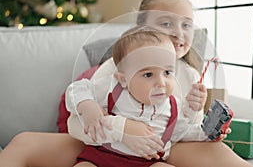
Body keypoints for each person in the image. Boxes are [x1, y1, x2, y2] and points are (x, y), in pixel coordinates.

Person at [0, 0, 253, 167]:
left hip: (155, 151)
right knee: (24, 142)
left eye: (186, 24)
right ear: (140, 28)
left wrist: (204, 125)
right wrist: (123, 127)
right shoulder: (114, 70)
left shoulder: (189, 76)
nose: (178, 32)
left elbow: (181, 131)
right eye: (166, 23)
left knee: (220, 154)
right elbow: (77, 121)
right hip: (102, 146)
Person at [68, 26, 210, 167]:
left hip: (147, 163)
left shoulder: (173, 106)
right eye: (148, 74)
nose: (161, 83)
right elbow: (77, 88)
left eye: (167, 72)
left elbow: (185, 131)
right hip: (101, 158)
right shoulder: (112, 89)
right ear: (123, 79)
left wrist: (210, 133)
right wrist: (87, 105)